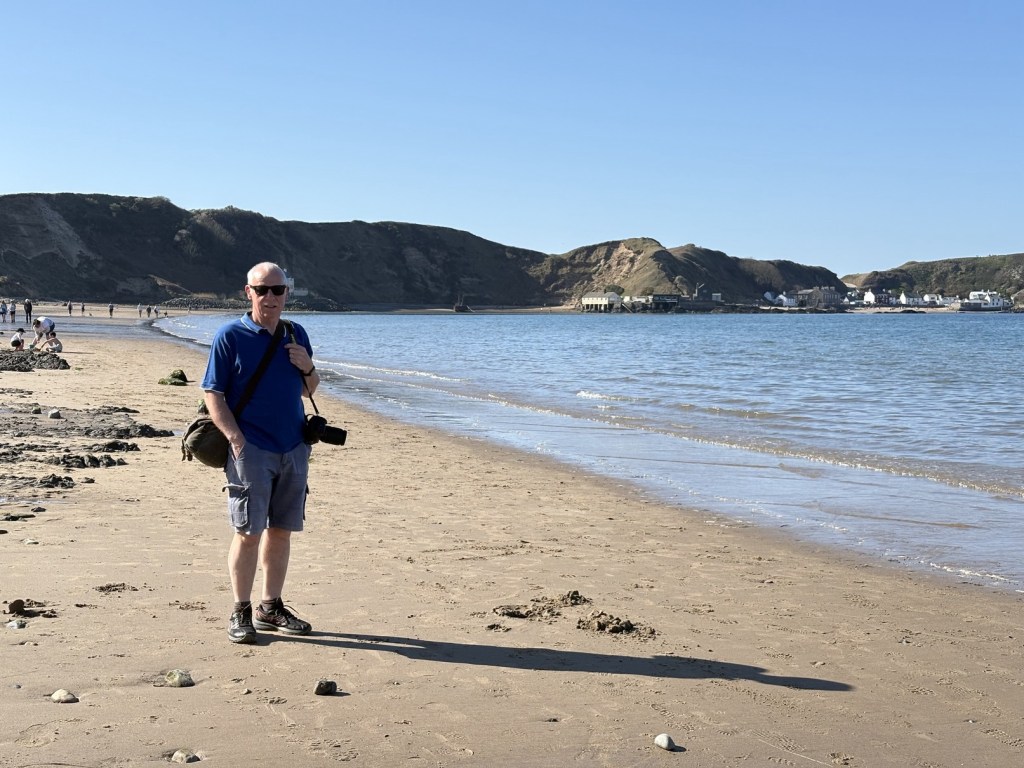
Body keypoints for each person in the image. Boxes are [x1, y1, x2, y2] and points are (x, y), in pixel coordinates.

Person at [201, 262, 320, 644]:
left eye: (278, 290)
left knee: (282, 531)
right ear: (248, 292)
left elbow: (308, 389)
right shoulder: (230, 336)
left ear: (286, 294)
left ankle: (270, 607)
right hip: (251, 449)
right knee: (248, 532)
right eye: (262, 290)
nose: (270, 297)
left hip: (294, 446)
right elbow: (213, 393)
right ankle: (241, 610)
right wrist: (236, 440)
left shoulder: (295, 333)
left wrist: (308, 366)